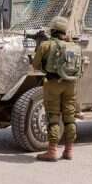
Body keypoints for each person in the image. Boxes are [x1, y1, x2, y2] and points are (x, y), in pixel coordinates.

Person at [31, 16, 79, 161]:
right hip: (70, 84)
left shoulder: (46, 45)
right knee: (70, 117)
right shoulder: (74, 46)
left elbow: (35, 65)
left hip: (53, 84)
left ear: (52, 30)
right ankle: (69, 151)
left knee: (53, 117)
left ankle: (52, 151)